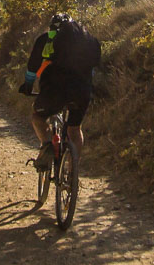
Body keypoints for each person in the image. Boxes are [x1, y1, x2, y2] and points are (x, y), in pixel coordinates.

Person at [22, 12, 102, 171]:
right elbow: (93, 68)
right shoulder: (88, 41)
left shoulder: (45, 40)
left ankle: (47, 147)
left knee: (37, 117)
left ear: (51, 27)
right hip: (82, 93)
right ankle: (73, 173)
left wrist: (28, 86)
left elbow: (32, 69)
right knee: (74, 129)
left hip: (54, 92)